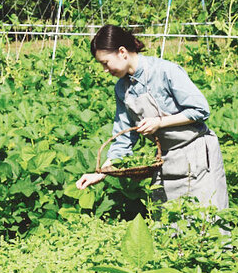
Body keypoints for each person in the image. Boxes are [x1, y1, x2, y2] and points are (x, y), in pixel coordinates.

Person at [75, 25, 228, 209]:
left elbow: (200, 109)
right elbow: (123, 138)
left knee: (206, 217)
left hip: (197, 157)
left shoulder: (164, 71)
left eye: (105, 63)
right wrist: (101, 173)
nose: (105, 70)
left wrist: (160, 122)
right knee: (168, 220)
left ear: (122, 52)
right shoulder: (122, 89)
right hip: (165, 160)